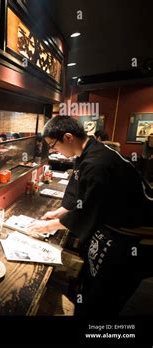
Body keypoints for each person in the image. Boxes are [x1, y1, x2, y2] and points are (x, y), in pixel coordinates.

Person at [28, 116, 153, 315]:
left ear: (68, 137)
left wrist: (50, 226)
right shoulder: (88, 151)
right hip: (113, 226)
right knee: (90, 281)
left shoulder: (97, 163)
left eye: (53, 145)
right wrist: (60, 212)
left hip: (131, 235)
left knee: (106, 293)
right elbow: (79, 192)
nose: (53, 150)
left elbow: (89, 210)